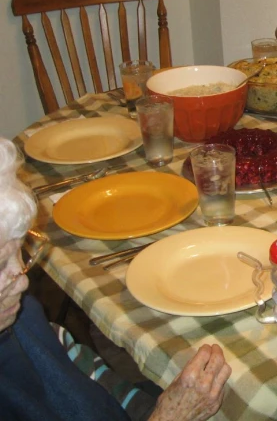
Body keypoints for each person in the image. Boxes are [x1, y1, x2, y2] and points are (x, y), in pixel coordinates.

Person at [0, 138, 232, 421]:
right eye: (1, 266)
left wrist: (142, 400)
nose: (22, 281)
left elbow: (69, 367)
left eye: (20, 252)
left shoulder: (18, 316)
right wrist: (169, 415)